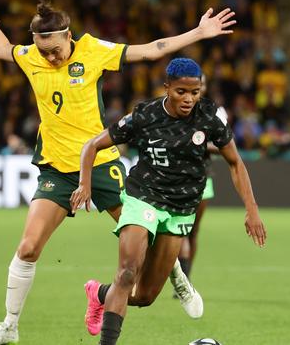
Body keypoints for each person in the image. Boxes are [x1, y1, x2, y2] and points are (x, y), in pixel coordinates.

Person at [0, 0, 237, 344]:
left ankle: (180, 279)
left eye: (54, 50)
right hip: (58, 169)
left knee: (151, 231)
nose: (49, 57)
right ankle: (10, 326)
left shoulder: (92, 50)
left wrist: (199, 32)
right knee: (28, 247)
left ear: (69, 37)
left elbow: (149, 51)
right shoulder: (31, 56)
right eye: (42, 51)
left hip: (102, 163)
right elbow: (2, 49)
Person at [70, 58, 267, 345]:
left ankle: (99, 293)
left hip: (180, 209)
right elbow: (92, 146)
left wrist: (252, 210)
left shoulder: (210, 117)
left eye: (195, 92)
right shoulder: (145, 115)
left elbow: (235, 163)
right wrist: (84, 184)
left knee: (144, 296)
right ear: (167, 88)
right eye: (181, 92)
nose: (189, 99)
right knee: (126, 274)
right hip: (143, 198)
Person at [176, 74, 228, 282]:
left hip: (203, 175)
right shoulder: (178, 109)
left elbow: (225, 145)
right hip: (177, 176)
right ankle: (178, 278)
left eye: (201, 84)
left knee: (193, 231)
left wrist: (198, 143)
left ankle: (185, 278)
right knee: (179, 229)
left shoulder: (215, 113)